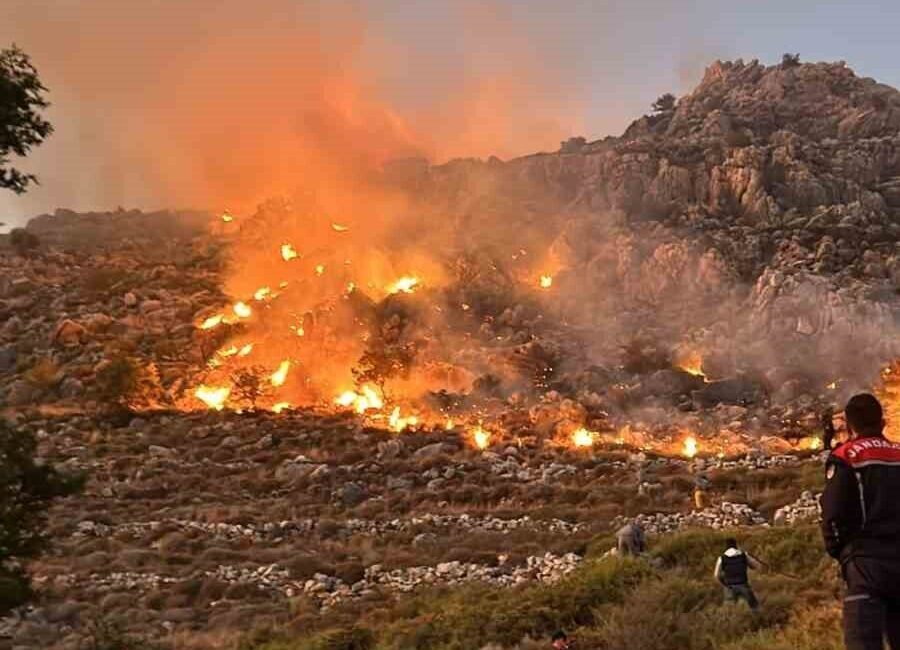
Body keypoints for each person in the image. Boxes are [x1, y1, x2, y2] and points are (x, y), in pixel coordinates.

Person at [821, 393, 900, 650]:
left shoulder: (845, 457)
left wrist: (842, 553)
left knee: (863, 642)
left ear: (850, 425)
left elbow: (832, 514)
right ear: (883, 421)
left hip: (865, 565)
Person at [714, 537, 761, 610]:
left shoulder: (722, 558)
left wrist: (724, 583)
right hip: (743, 584)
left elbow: (716, 575)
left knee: (729, 610)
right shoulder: (743, 555)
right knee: (754, 607)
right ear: (735, 545)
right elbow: (756, 566)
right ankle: (757, 619)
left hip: (729, 587)